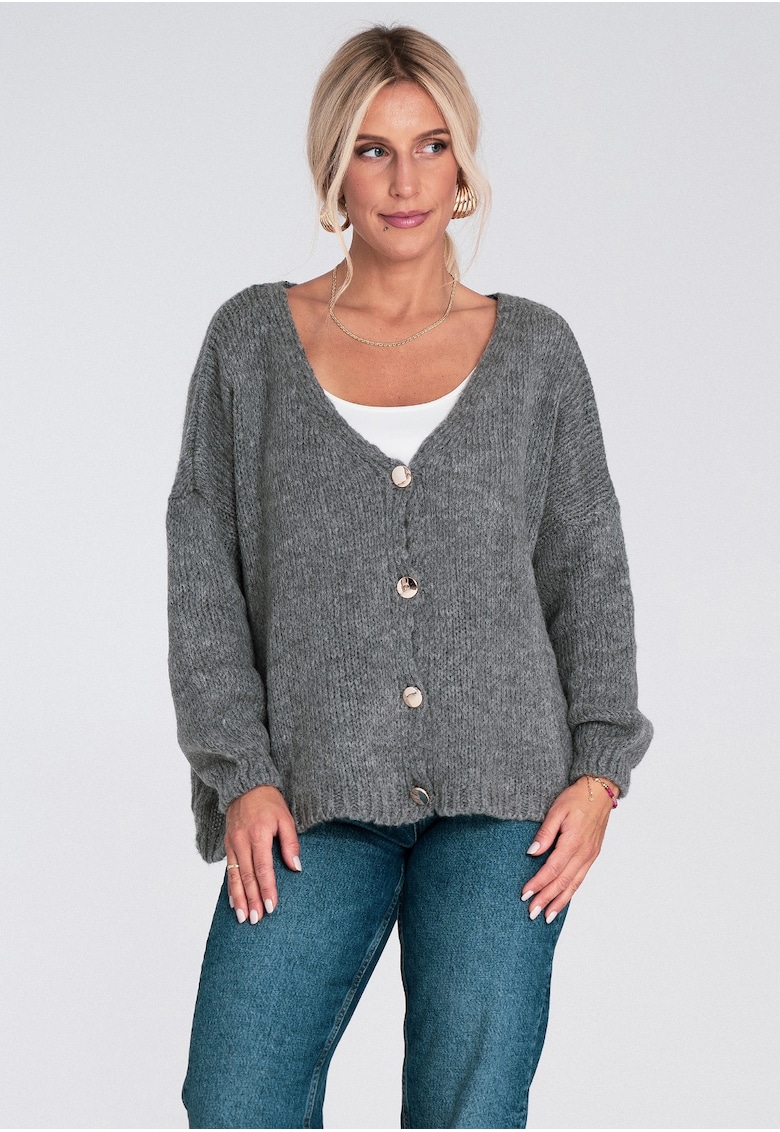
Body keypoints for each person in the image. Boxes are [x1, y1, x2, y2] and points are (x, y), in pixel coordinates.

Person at [166, 24, 653, 1130]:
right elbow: (203, 580)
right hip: (309, 796)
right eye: (373, 149)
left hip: (506, 799)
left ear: (463, 166)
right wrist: (241, 773)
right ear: (333, 166)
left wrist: (600, 773)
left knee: (466, 1110)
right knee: (236, 1094)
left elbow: (589, 565)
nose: (405, 181)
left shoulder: (536, 352)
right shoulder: (250, 344)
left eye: (432, 146)